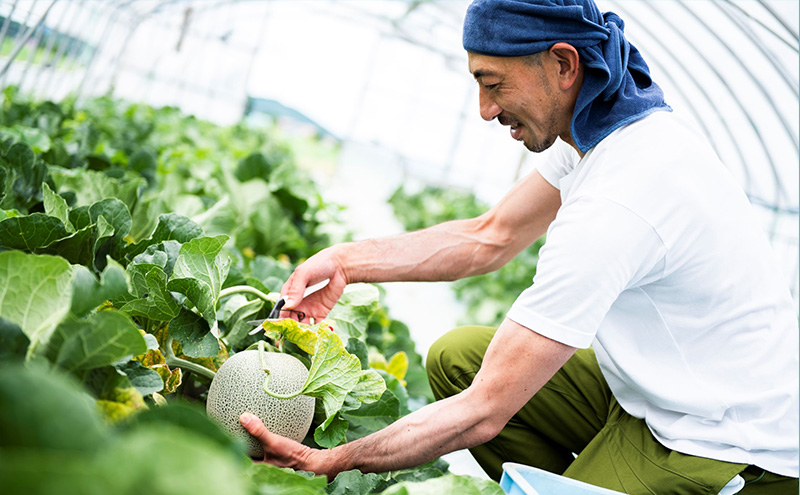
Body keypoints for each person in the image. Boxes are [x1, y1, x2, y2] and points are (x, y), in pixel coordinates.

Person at [238, 0, 800, 493]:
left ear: (562, 65)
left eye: (494, 83)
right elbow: (490, 237)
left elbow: (483, 414)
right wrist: (345, 262)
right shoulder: (594, 129)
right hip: (657, 390)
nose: (484, 109)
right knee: (458, 358)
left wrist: (330, 461)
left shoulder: (620, 199)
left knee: (484, 397)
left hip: (722, 442)